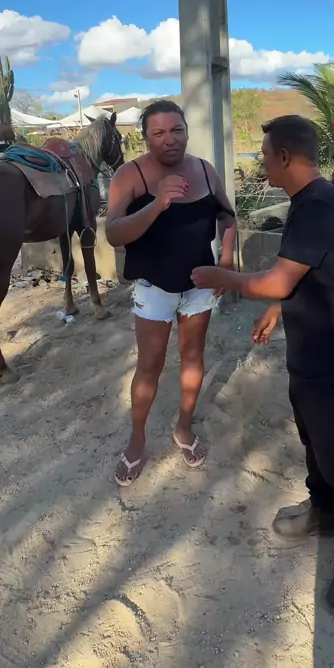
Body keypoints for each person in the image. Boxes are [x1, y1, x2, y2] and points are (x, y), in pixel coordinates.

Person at [192, 114, 334, 611]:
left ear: (284, 157)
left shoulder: (317, 204)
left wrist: (223, 277)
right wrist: (279, 308)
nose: (262, 162)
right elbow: (312, 272)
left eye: (264, 154)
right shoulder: (311, 200)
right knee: (314, 441)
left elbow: (277, 278)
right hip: (311, 355)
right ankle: (324, 511)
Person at [106, 99, 236, 485]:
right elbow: (114, 233)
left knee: (193, 356)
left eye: (177, 130)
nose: (169, 139)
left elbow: (227, 215)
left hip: (199, 286)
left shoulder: (205, 170)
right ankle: (137, 441)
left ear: (187, 132)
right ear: (145, 138)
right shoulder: (130, 175)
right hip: (154, 287)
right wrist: (158, 203)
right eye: (159, 133)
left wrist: (225, 262)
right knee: (150, 365)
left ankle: (184, 427)